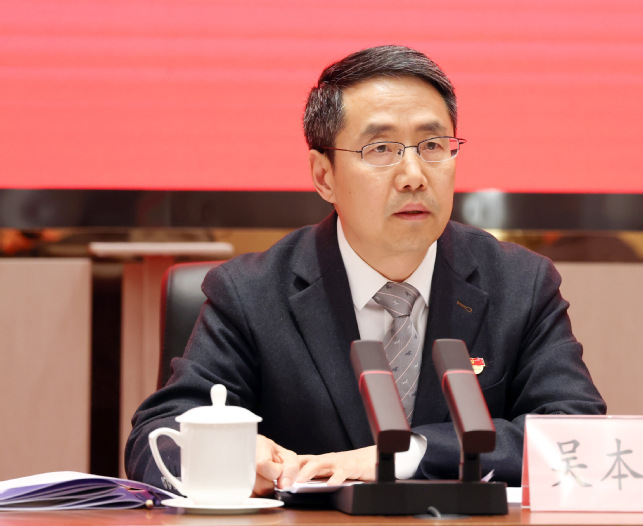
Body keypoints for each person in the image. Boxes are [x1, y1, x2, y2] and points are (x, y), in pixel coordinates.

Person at [125, 45, 606, 496]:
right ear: (324, 176)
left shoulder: (519, 284)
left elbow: (576, 434)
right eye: (381, 150)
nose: (414, 175)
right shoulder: (251, 292)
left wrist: (406, 455)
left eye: (433, 145)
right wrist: (228, 456)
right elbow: (158, 436)